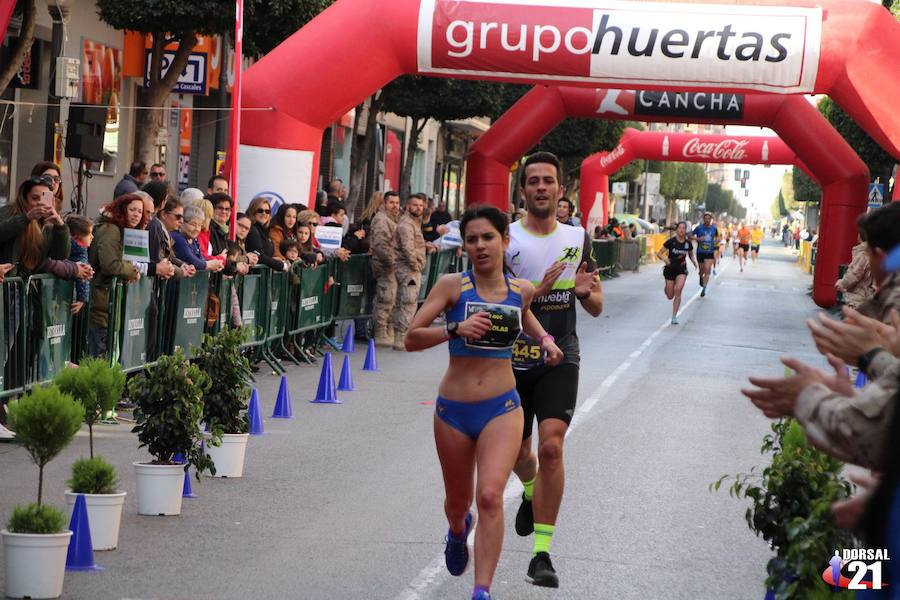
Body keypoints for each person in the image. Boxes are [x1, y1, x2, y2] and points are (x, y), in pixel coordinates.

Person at [405, 205, 563, 600]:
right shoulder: (452, 287)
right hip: (454, 412)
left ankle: (482, 591)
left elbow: (523, 314)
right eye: (471, 239)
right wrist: (454, 328)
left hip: (502, 408)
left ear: (504, 242)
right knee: (458, 504)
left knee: (491, 495)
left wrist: (545, 340)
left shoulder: (520, 289)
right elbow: (411, 336)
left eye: (487, 237)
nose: (479, 245)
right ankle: (458, 530)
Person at [506, 152, 603, 589]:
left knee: (551, 448)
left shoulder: (578, 238)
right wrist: (535, 292)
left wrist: (584, 293)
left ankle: (541, 553)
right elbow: (492, 301)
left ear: (560, 189)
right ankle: (529, 491)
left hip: (561, 355)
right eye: (534, 181)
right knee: (514, 454)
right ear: (523, 190)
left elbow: (597, 307)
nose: (542, 187)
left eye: (549, 181)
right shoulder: (504, 240)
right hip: (509, 359)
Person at [88, 193, 150, 356]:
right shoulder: (111, 229)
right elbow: (110, 265)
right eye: (132, 210)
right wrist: (132, 272)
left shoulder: (123, 230)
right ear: (122, 210)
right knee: (99, 357)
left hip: (108, 304)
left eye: (140, 211)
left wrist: (127, 272)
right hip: (100, 302)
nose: (137, 214)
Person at [0, 176, 71, 277]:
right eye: (34, 198)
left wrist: (60, 226)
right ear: (24, 199)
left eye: (45, 198)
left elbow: (60, 256)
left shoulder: (48, 223)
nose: (40, 203)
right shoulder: (8, 212)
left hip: (26, 287)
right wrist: (27, 218)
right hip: (6, 284)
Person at [391, 194, 429, 351]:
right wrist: (416, 265)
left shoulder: (414, 223)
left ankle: (401, 337)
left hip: (409, 268)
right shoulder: (406, 225)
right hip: (408, 269)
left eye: (421, 205)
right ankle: (401, 338)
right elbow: (408, 248)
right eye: (415, 205)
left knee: (407, 301)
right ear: (408, 206)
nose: (418, 208)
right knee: (408, 302)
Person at [371, 191, 401, 347]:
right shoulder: (381, 220)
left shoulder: (394, 219)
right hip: (385, 265)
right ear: (384, 203)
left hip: (394, 265)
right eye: (392, 202)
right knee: (386, 297)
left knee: (394, 298)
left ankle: (389, 329)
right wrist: (392, 262)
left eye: (397, 202)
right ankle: (380, 332)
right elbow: (381, 245)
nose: (395, 206)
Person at [658, 221, 697, 325]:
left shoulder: (688, 243)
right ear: (676, 230)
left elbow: (691, 254)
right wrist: (665, 259)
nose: (681, 230)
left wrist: (694, 262)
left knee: (678, 290)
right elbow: (659, 253)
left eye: (683, 228)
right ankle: (666, 288)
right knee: (670, 295)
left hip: (681, 270)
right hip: (670, 269)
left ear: (686, 230)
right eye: (679, 228)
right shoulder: (671, 242)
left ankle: (674, 316)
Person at [171, 205, 226, 273]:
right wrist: (209, 264)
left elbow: (200, 259)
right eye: (193, 224)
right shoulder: (177, 237)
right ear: (182, 222)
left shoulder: (194, 239)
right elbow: (191, 260)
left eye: (199, 225)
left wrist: (215, 264)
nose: (197, 229)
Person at [245, 196, 290, 272]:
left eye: (267, 211)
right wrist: (281, 265)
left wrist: (272, 259)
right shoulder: (252, 229)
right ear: (252, 211)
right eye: (260, 211)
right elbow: (258, 255)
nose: (264, 213)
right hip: (253, 277)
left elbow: (264, 254)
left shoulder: (263, 230)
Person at [836, 233, 875, 310]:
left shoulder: (862, 254)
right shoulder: (874, 253)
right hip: (868, 295)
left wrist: (842, 283)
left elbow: (854, 274)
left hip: (858, 296)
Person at [67, 215, 93, 315]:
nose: (92, 237)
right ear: (78, 235)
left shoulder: (69, 245)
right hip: (70, 295)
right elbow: (84, 275)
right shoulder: (80, 250)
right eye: (89, 234)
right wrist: (82, 298)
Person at [691, 212, 718, 297]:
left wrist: (718, 240)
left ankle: (704, 288)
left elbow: (718, 237)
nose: (707, 220)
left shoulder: (714, 228)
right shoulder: (699, 228)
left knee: (707, 269)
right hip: (700, 252)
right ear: (703, 219)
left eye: (709, 218)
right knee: (702, 270)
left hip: (710, 252)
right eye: (705, 218)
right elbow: (690, 236)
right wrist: (698, 238)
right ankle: (700, 276)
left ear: (711, 219)